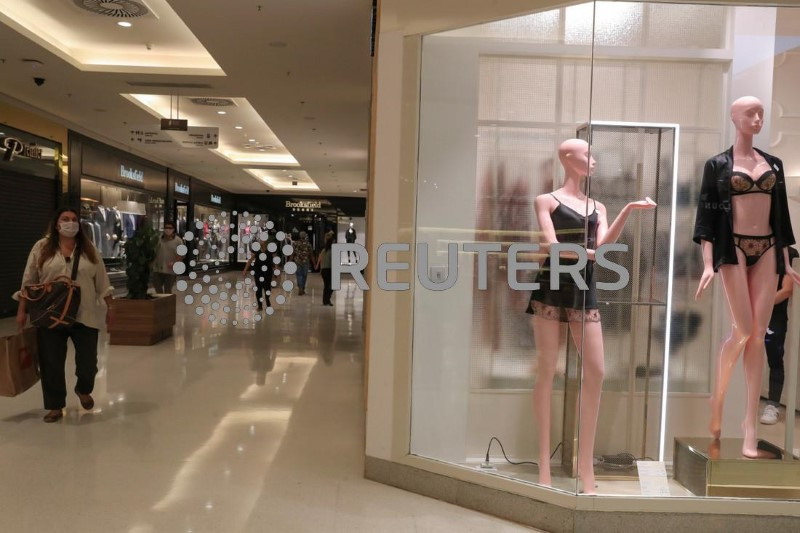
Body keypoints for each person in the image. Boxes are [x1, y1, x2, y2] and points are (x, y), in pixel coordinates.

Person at [529, 138, 655, 493]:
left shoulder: (597, 206)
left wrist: (627, 209)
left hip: (584, 286)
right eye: (587, 154)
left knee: (596, 371)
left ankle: (586, 464)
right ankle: (543, 463)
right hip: (552, 284)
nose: (594, 160)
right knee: (546, 370)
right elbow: (553, 247)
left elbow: (602, 249)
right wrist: (584, 253)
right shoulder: (546, 200)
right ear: (568, 159)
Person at [694, 96, 800, 457]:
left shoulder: (774, 164)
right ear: (734, 118)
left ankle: (750, 426)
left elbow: (782, 215)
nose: (757, 119)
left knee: (758, 336)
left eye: (761, 114)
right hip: (733, 247)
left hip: (768, 247)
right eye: (750, 113)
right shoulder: (718, 164)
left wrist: (787, 260)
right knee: (742, 330)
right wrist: (707, 263)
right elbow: (706, 219)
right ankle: (718, 400)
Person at [14, 207, 114, 423]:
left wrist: (110, 308)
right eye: (65, 219)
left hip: (84, 314)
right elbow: (29, 281)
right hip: (50, 314)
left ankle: (83, 389)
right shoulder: (41, 248)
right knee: (51, 363)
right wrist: (22, 310)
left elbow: (102, 280)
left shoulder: (89, 249)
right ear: (57, 224)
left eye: (74, 219)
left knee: (89, 363)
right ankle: (54, 406)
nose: (71, 223)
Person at [761, 246, 799, 424]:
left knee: (775, 358)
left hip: (774, 315)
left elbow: (787, 290)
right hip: (748, 312)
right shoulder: (753, 248)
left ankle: (773, 405)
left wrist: (761, 305)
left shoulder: (789, 254)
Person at [152, 220, 183, 294]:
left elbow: (181, 256)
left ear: (173, 229)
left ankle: (167, 305)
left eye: (170, 228)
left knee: (168, 290)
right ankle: (160, 304)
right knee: (157, 289)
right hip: (158, 269)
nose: (167, 230)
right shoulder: (159, 239)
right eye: (166, 228)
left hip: (170, 271)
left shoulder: (178, 241)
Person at [243, 239, 274, 310]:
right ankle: (260, 305)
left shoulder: (270, 250)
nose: (261, 242)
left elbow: (275, 260)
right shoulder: (256, 251)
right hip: (258, 272)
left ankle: (267, 301)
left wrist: (276, 268)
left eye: (263, 240)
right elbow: (250, 260)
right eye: (261, 241)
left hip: (268, 272)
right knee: (259, 289)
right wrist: (245, 269)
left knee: (267, 288)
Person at [315, 232, 335, 306]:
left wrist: (320, 268)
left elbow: (321, 259)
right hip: (329, 270)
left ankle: (325, 300)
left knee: (326, 286)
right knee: (331, 286)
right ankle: (327, 300)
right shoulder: (331, 251)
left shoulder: (324, 250)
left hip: (324, 270)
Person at [293, 231, 312, 295]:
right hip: (305, 262)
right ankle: (302, 288)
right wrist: (314, 263)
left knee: (299, 275)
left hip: (297, 261)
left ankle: (300, 288)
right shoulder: (308, 244)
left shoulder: (295, 243)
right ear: (305, 236)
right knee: (304, 275)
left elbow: (293, 253)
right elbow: (311, 254)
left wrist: (289, 260)